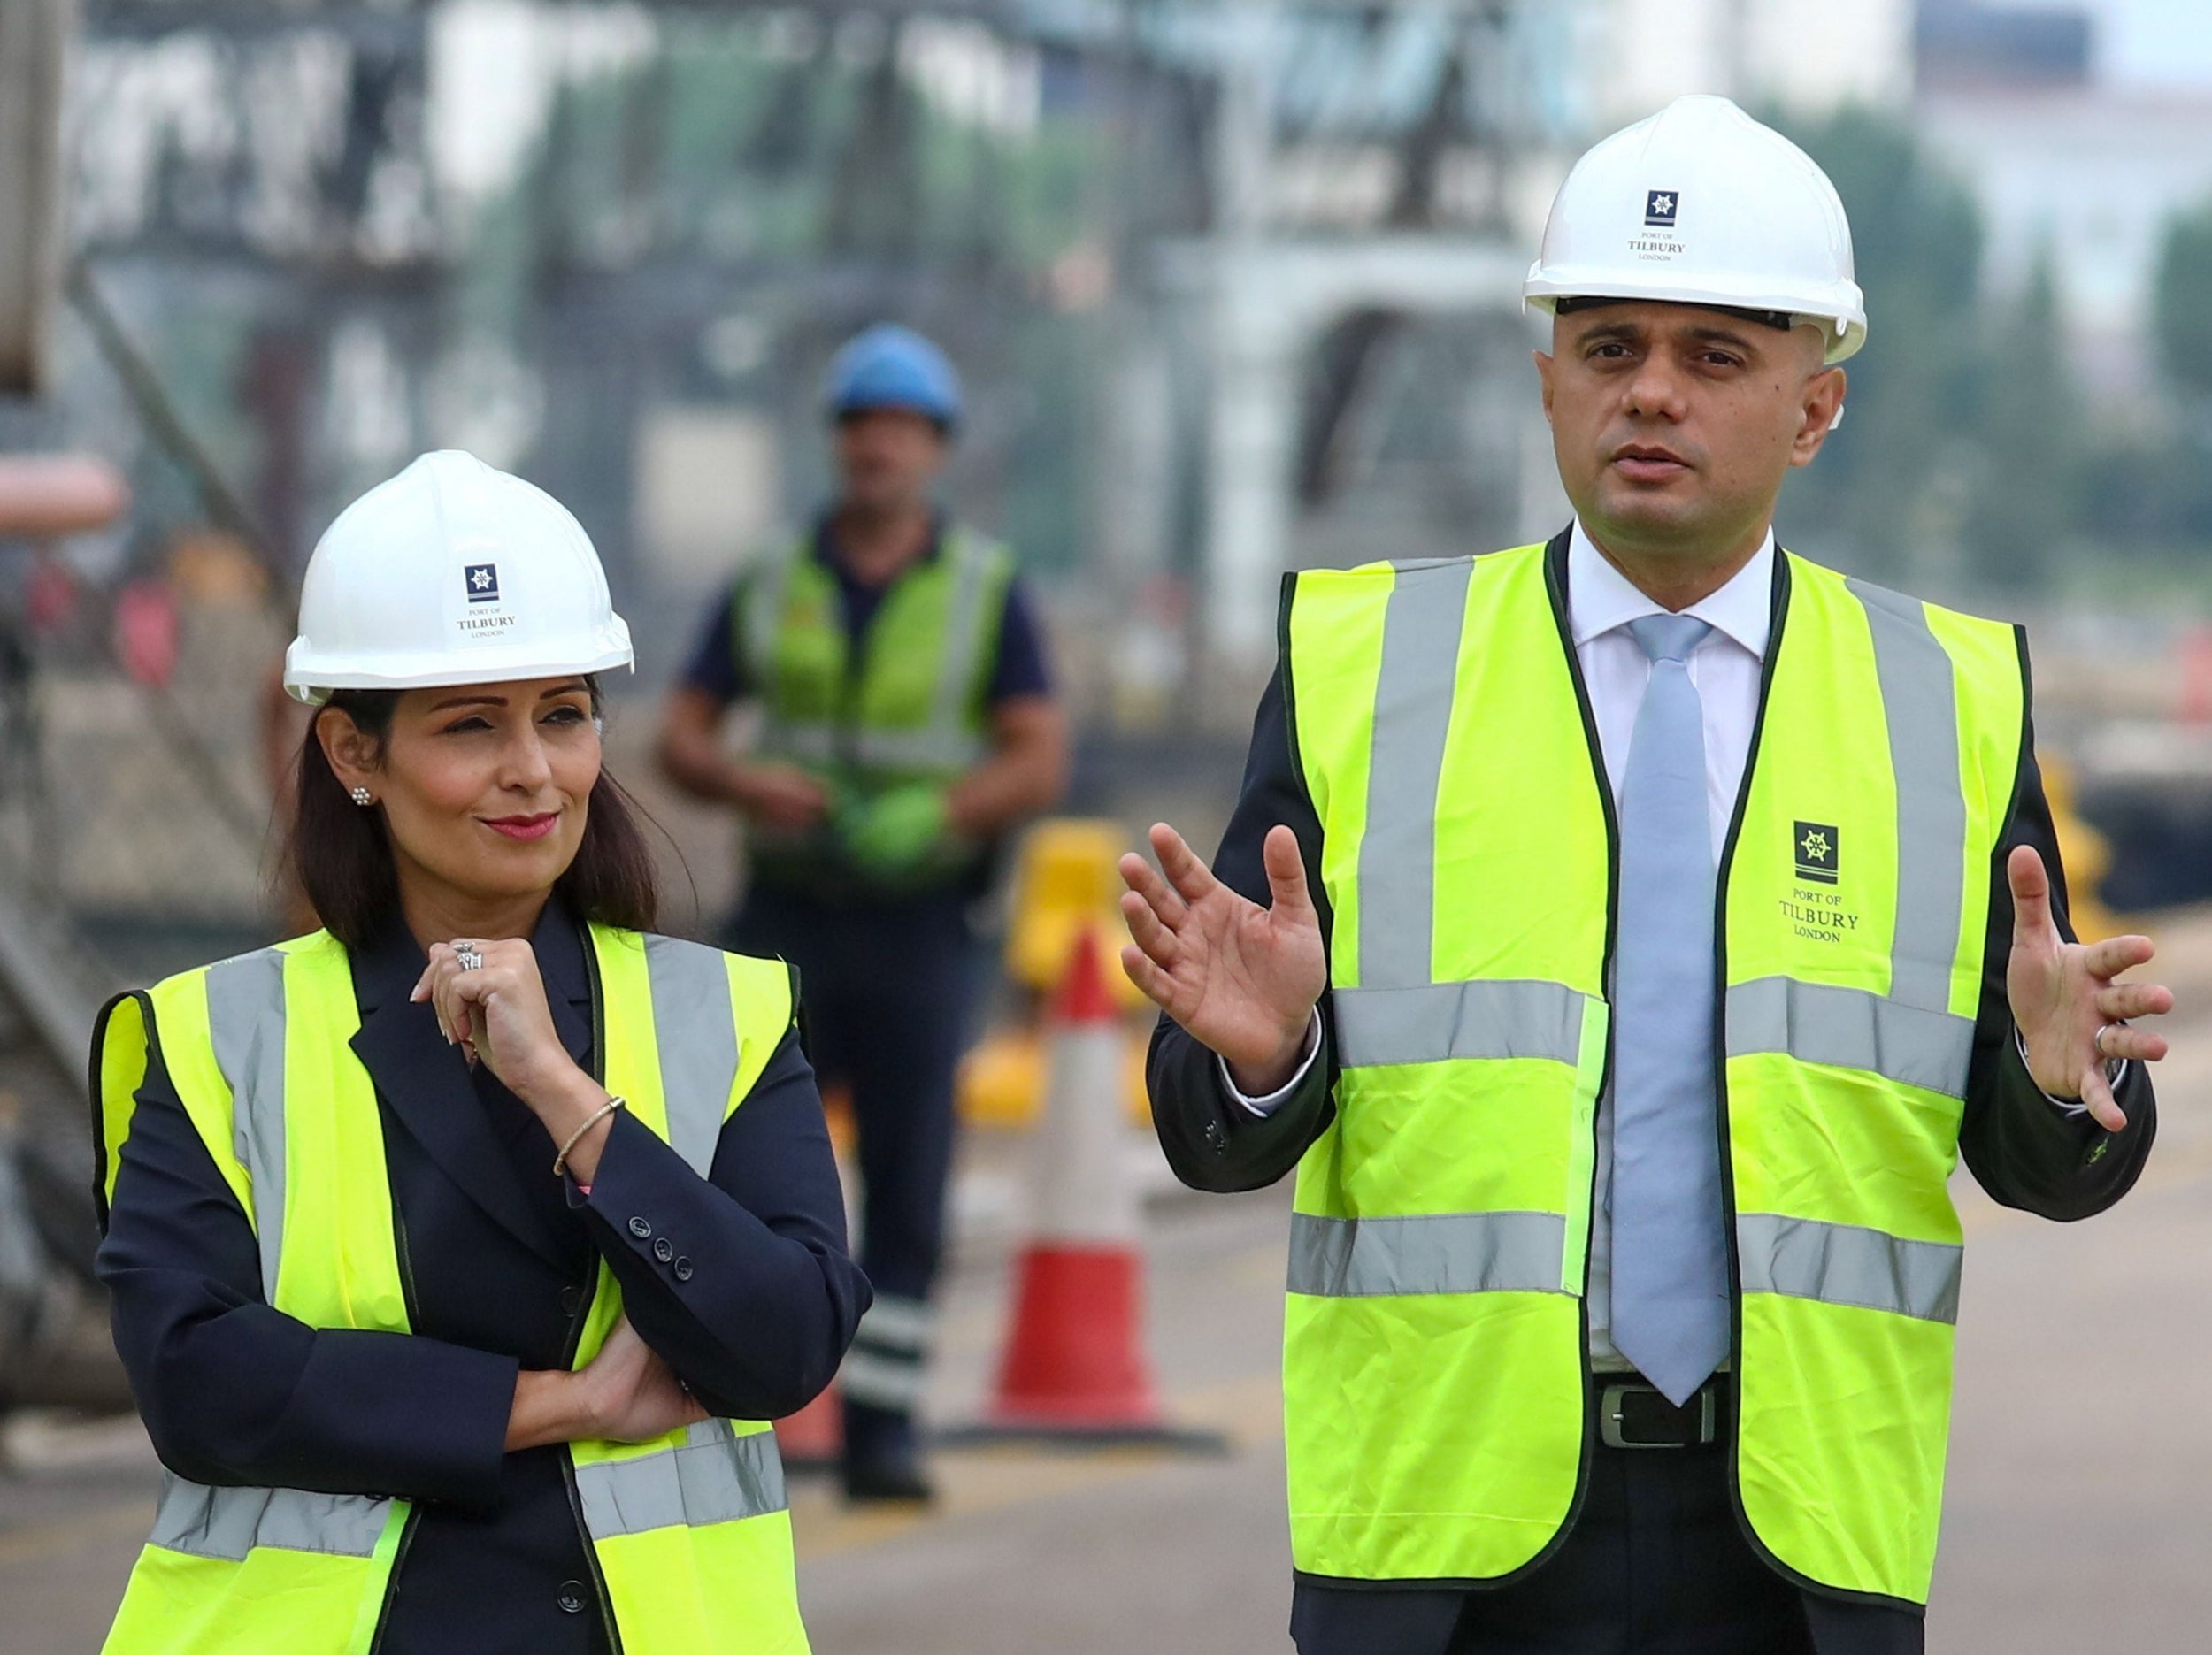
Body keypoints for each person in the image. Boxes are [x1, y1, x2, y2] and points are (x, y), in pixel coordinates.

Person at [1121, 96, 2172, 1655]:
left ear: (1815, 409)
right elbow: (1221, 1139)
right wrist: (1268, 1060)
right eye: (1610, 349)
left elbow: (2051, 1161)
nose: (1652, 395)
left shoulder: (1946, 702)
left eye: (1714, 357)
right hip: (1443, 1542)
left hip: (1797, 1542)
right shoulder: (1363, 671)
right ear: (1550, 383)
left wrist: (2054, 1074)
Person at [92, 450, 866, 1654]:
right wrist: (555, 1405)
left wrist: (567, 1096)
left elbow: (783, 1341)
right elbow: (198, 1384)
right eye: (470, 726)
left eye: (564, 715)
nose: (533, 772)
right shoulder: (215, 1037)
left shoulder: (727, 1015)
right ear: (353, 754)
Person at [657, 323, 1067, 1501]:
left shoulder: (985, 590)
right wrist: (744, 782)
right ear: (836, 442)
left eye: (901, 427)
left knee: (908, 1176)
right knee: (733, 1160)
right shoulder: (770, 579)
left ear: (934, 448)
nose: (878, 447)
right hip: (785, 915)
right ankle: (739, 1406)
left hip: (919, 926)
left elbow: (1037, 758)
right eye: (859, 425)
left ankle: (883, 1428)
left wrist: (943, 814)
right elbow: (683, 730)